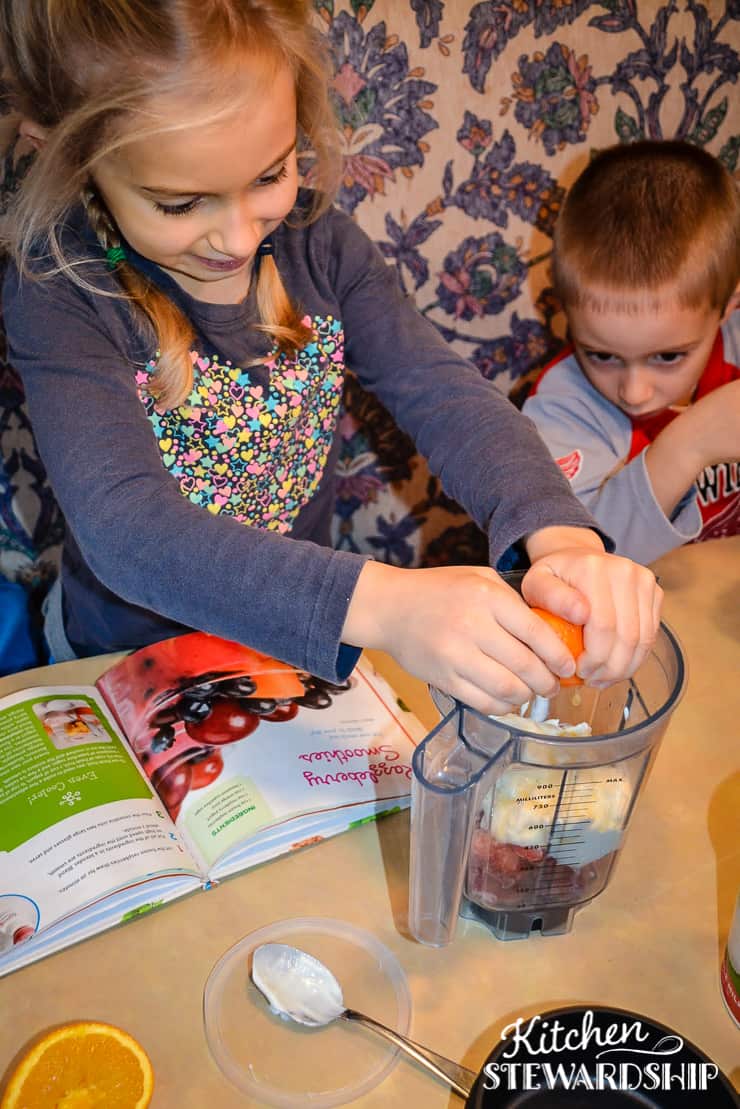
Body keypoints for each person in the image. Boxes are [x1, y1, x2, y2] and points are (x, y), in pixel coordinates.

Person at [0, 0, 660, 717]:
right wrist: (386, 604)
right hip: (120, 665)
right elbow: (128, 531)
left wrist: (557, 532)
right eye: (181, 203)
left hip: (289, 659)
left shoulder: (324, 246)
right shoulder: (58, 289)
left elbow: (445, 396)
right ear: (67, 158)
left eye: (269, 176)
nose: (237, 238)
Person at [523, 139, 740, 565]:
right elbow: (579, 559)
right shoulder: (562, 409)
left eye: (667, 356)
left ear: (727, 308)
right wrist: (689, 444)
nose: (635, 392)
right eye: (601, 355)